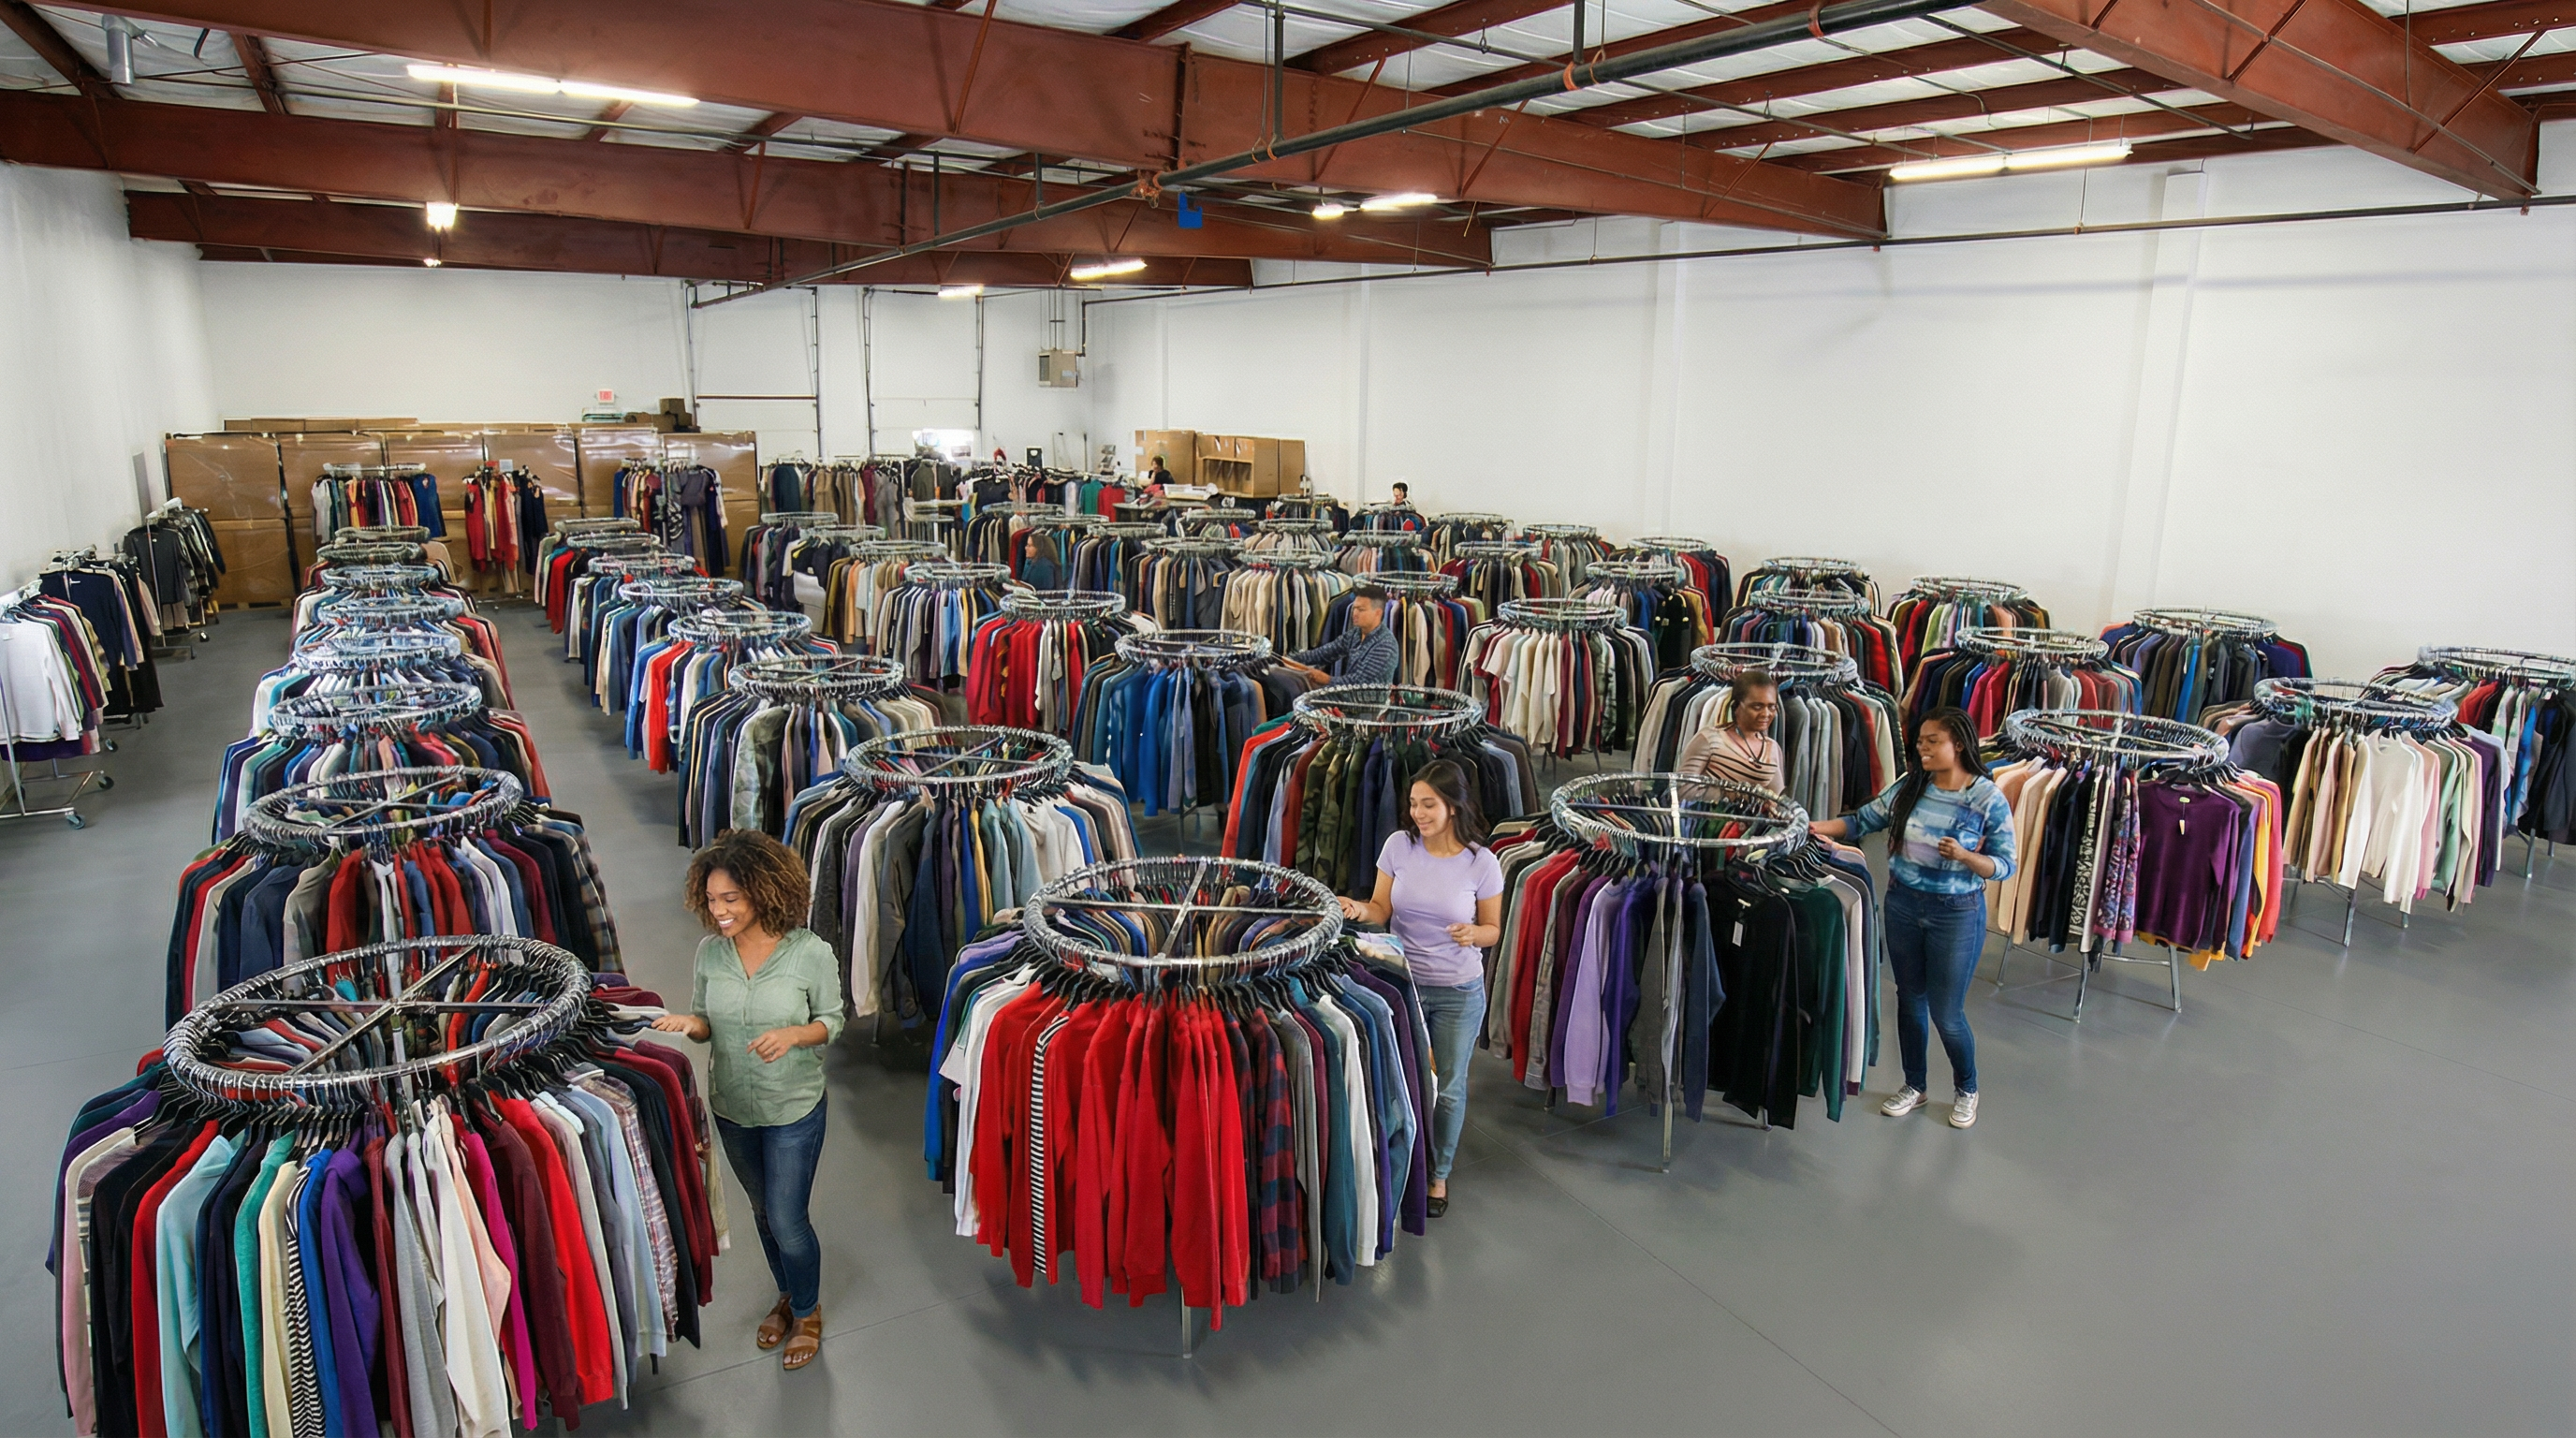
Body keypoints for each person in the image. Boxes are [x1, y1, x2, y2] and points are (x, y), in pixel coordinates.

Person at [651, 830, 846, 1369]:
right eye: (712, 900)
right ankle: (787, 1294)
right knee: (763, 1213)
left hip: (794, 1107)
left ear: (763, 892)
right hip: (733, 1105)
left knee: (787, 1218)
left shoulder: (810, 953)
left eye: (731, 900)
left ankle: (806, 1310)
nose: (720, 912)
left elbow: (833, 1021)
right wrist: (691, 1025)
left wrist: (793, 1035)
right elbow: (705, 1021)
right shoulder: (710, 954)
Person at [1808, 706, 2015, 1130]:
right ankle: (1914, 1085)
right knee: (1908, 998)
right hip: (1903, 905)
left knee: (1947, 1012)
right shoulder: (1911, 787)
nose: (1922, 749)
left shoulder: (1985, 797)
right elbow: (1862, 820)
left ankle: (1967, 1088)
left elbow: (2005, 865)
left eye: (1931, 741)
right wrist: (1815, 828)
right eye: (1919, 741)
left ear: (1958, 743)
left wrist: (1966, 856)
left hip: (1956, 914)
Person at [1338, 760, 1502, 1216]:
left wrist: (1473, 934)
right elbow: (1380, 908)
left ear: (1454, 806)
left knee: (1448, 1087)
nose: (1418, 814)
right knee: (1404, 1079)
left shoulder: (1481, 862)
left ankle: (1438, 1176)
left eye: (1428, 804)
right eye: (1413, 804)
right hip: (1402, 987)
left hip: (1458, 991)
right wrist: (1355, 907)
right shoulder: (1398, 847)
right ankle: (1404, 1158)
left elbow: (1493, 929)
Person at [1676, 670, 1786, 791]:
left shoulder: (1772, 748)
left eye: (1772, 707)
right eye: (1757, 707)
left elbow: (1778, 798)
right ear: (1736, 706)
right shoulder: (1710, 740)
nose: (1766, 714)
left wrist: (1770, 804)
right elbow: (1682, 791)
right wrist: (1735, 797)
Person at [1283, 583, 1397, 685]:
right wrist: (1288, 659)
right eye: (1354, 608)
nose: (1355, 613)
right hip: (1347, 699)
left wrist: (1326, 679)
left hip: (1366, 706)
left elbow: (1360, 683)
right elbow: (1325, 653)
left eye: (1361, 610)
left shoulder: (1385, 645)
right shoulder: (1356, 634)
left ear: (1378, 613)